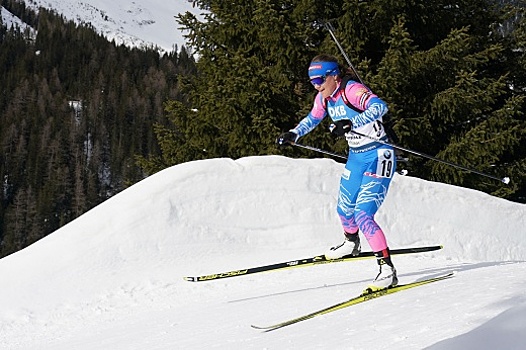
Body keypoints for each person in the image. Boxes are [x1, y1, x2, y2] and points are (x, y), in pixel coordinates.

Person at [277, 54, 397, 290]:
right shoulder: (325, 98)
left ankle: (387, 270)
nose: (316, 85)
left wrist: (354, 122)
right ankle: (351, 244)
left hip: (379, 154)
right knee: (344, 208)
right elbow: (313, 118)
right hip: (357, 157)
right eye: (312, 81)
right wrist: (294, 133)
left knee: (363, 214)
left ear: (334, 75)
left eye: (320, 79)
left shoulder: (350, 90)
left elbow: (379, 106)